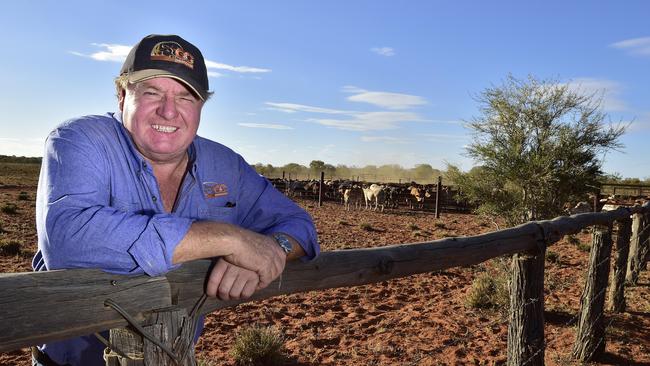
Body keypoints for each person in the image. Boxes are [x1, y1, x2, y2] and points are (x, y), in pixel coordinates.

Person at [32, 34, 319, 366]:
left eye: (186, 97)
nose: (169, 111)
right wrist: (228, 238)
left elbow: (298, 225)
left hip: (175, 356)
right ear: (123, 96)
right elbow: (69, 240)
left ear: (200, 107)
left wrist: (273, 248)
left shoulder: (225, 165)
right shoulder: (81, 140)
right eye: (152, 92)